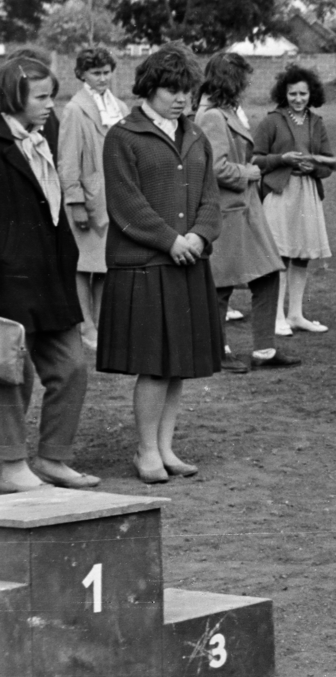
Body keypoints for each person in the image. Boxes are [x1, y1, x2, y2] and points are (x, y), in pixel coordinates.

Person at [99, 47, 223, 484]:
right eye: (172, 89)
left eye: (188, 90)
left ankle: (166, 447)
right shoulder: (122, 137)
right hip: (146, 264)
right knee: (154, 363)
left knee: (179, 364)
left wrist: (199, 236)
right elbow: (125, 204)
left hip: (189, 261)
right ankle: (146, 450)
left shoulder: (197, 137)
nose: (181, 98)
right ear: (149, 88)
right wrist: (171, 240)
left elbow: (211, 198)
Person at [0, 55, 98, 492]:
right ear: (12, 94)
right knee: (11, 374)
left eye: (51, 96)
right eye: (40, 97)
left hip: (52, 277)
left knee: (72, 367)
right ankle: (10, 465)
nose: (48, 105)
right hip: (10, 280)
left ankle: (54, 456)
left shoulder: (46, 132)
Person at [195, 53, 301, 375]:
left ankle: (264, 350)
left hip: (244, 208)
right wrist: (250, 172)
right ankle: (217, 350)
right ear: (230, 80)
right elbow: (214, 167)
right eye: (244, 78)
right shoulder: (211, 115)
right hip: (227, 210)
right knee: (220, 285)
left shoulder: (226, 111)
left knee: (268, 273)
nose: (248, 84)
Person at [56, 47, 129, 352]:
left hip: (115, 196)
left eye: (106, 72)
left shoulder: (121, 107)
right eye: (96, 73)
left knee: (105, 264)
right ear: (82, 75)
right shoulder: (75, 109)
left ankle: (101, 322)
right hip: (89, 198)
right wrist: (75, 202)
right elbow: (68, 160)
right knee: (83, 265)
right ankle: (86, 326)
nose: (103, 78)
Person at [254, 65, 334, 335]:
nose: (298, 99)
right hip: (279, 192)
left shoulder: (317, 122)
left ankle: (296, 314)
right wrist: (282, 159)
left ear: (311, 94)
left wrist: (316, 167)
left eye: (303, 94)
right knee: (280, 254)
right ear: (283, 94)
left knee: (302, 255)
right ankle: (276, 317)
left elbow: (328, 162)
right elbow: (255, 159)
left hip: (307, 193)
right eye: (292, 94)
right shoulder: (271, 121)